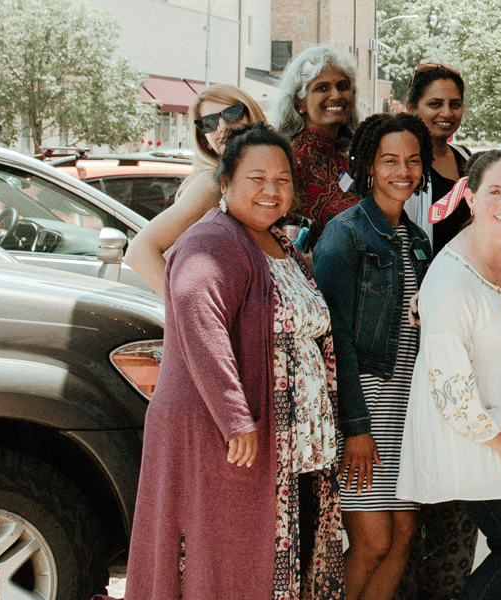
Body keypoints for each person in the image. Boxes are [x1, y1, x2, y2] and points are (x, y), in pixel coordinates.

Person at [124, 122, 344, 599]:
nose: (272, 190)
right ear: (224, 184)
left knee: (272, 563)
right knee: (227, 566)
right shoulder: (215, 241)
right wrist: (235, 417)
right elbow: (195, 310)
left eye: (283, 179)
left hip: (292, 447)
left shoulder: (279, 244)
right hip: (227, 439)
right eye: (256, 178)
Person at [397, 150, 501, 600]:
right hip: (478, 436)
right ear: (470, 198)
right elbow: (450, 389)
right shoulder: (449, 281)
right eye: (495, 192)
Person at [312, 113, 433, 600]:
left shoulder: (419, 241)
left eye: (412, 160)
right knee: (373, 540)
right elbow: (334, 339)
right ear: (367, 165)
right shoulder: (346, 235)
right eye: (389, 160)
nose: (402, 170)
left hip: (408, 408)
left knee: (402, 536)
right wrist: (355, 428)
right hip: (365, 408)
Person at [124, 84, 266, 294]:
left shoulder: (249, 179)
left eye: (233, 113)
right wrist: (190, 311)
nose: (223, 126)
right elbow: (139, 251)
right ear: (206, 141)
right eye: (209, 123)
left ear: (252, 116)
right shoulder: (212, 184)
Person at [272, 44, 362, 248]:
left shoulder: (349, 161)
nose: (336, 95)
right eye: (322, 88)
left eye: (343, 86)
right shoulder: (286, 160)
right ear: (299, 103)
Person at [403, 62, 474, 254]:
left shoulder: (466, 158)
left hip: (470, 277)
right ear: (412, 108)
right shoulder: (404, 168)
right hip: (427, 280)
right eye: (435, 104)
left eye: (455, 104)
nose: (447, 112)